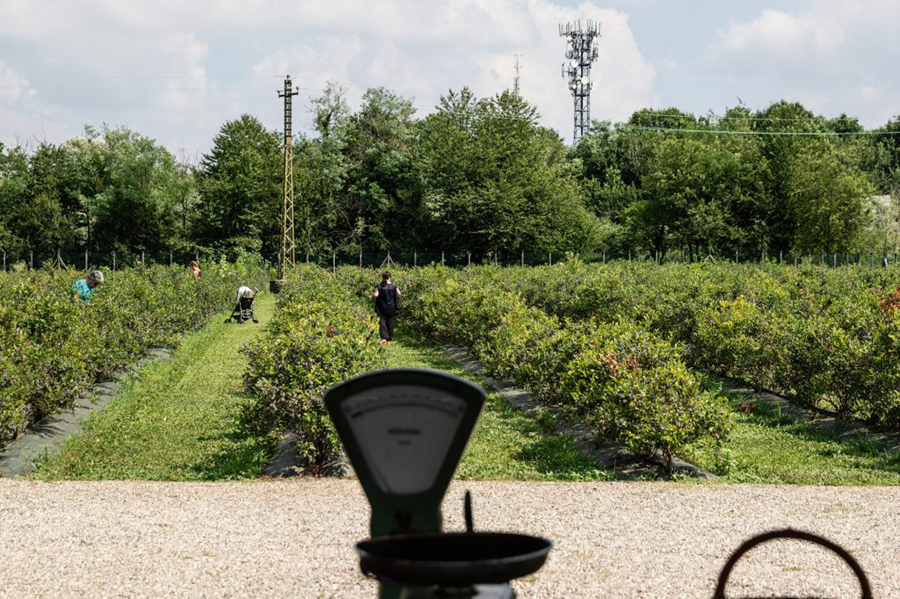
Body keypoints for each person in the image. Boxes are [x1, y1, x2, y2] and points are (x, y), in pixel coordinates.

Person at [373, 271, 401, 345]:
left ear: (382, 277)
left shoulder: (379, 286)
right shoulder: (394, 285)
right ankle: (389, 336)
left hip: (382, 307)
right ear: (389, 277)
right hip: (391, 307)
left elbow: (376, 295)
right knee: (390, 322)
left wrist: (372, 296)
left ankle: (385, 337)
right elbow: (399, 293)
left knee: (382, 322)